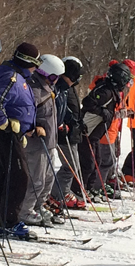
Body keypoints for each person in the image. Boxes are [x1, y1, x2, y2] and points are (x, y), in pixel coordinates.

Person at [0, 43, 42, 240]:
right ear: (27, 62)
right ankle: (9, 221)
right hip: (5, 135)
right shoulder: (11, 76)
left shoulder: (20, 78)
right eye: (35, 64)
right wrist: (6, 125)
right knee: (18, 177)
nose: (36, 69)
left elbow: (20, 106)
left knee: (6, 176)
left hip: (14, 134)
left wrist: (28, 127)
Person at [20, 54, 64, 226]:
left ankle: (39, 206)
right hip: (36, 143)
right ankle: (25, 211)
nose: (55, 81)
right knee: (36, 180)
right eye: (54, 77)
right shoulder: (33, 87)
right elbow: (26, 111)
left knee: (48, 178)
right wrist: (33, 126)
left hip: (49, 142)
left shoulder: (47, 88)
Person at [78, 62, 132, 201]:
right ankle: (80, 190)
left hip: (97, 132)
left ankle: (90, 189)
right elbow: (88, 102)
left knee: (97, 160)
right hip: (89, 131)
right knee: (89, 163)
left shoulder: (111, 90)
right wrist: (102, 112)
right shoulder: (106, 90)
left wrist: (115, 113)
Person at [50, 57, 87, 211]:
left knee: (73, 166)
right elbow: (57, 109)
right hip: (62, 133)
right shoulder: (59, 87)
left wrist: (76, 121)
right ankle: (58, 194)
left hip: (70, 131)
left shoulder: (66, 88)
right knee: (70, 166)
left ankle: (61, 193)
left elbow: (68, 110)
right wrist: (63, 124)